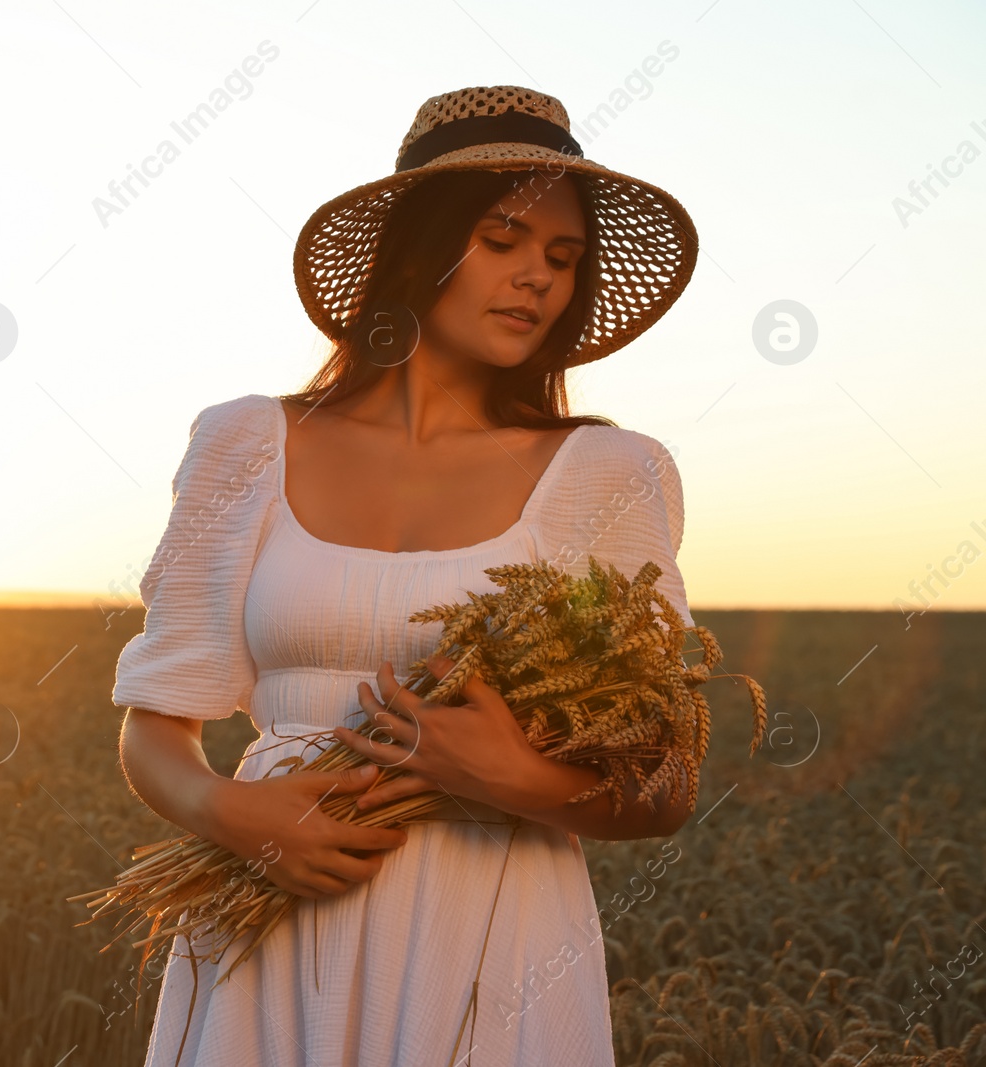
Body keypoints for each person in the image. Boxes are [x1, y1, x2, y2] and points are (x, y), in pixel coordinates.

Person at [111, 85, 700, 1067]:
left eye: (562, 258)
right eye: (505, 238)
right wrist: (237, 813)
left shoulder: (608, 473)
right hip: (268, 915)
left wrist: (509, 774)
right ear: (417, 247)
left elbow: (667, 779)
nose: (537, 280)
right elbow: (154, 727)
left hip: (495, 924)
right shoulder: (243, 443)